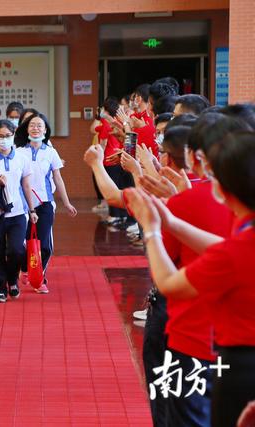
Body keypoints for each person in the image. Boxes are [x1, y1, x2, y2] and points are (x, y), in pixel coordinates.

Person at [124, 130, 255, 427]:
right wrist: (172, 220)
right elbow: (222, 247)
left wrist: (152, 229)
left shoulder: (237, 251)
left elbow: (170, 283)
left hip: (236, 362)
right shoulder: (240, 241)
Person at [15, 112, 76, 294]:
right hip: (24, 205)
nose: (36, 128)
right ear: (26, 128)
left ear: (45, 129)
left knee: (44, 246)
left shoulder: (51, 152)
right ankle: (25, 269)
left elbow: (58, 178)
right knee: (23, 244)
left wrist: (66, 202)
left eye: (39, 125)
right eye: (32, 125)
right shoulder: (18, 152)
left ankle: (39, 277)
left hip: (45, 203)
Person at [0, 120, 39, 302]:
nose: (4, 140)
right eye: (0, 136)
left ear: (14, 135)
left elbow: (26, 185)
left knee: (16, 249)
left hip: (17, 213)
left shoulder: (22, 158)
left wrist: (32, 210)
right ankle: (1, 287)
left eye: (8, 136)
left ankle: (12, 280)